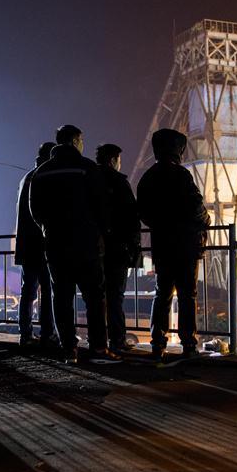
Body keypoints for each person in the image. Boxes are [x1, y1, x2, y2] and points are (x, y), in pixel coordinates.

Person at [29, 125, 115, 363]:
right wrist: (99, 231)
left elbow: (35, 210)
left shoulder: (42, 172)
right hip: (86, 244)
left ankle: (69, 348)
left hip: (56, 245)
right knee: (95, 298)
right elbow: (101, 206)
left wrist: (48, 229)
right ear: (76, 141)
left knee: (62, 297)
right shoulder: (87, 168)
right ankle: (98, 348)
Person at [137, 128, 210, 360]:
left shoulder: (148, 178)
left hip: (163, 246)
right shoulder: (181, 175)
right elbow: (197, 206)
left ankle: (158, 342)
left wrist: (162, 224)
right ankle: (188, 343)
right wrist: (205, 221)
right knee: (188, 295)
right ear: (177, 149)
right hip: (186, 245)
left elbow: (144, 213)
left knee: (163, 294)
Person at [95, 143, 141, 354]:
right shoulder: (119, 182)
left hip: (93, 248)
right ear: (113, 160)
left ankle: (98, 342)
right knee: (115, 297)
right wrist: (133, 249)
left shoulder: (88, 179)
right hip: (117, 249)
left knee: (95, 296)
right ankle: (117, 340)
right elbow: (132, 218)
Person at [14, 141, 57, 347]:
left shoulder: (26, 177)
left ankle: (26, 334)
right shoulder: (45, 176)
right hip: (42, 243)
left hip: (25, 244)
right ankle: (48, 333)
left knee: (28, 291)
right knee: (48, 290)